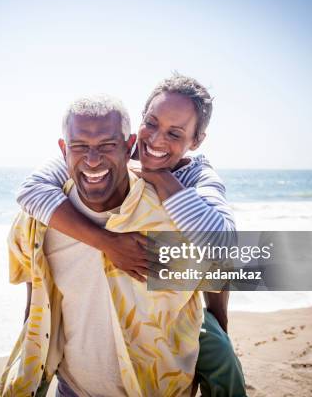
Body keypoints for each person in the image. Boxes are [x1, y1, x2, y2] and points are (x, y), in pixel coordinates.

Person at [15, 74, 245, 396]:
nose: (157, 140)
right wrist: (108, 243)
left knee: (220, 354)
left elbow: (222, 246)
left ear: (196, 140)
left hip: (180, 294)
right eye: (152, 123)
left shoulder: (196, 174)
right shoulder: (115, 150)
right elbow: (31, 192)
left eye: (175, 133)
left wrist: (162, 178)